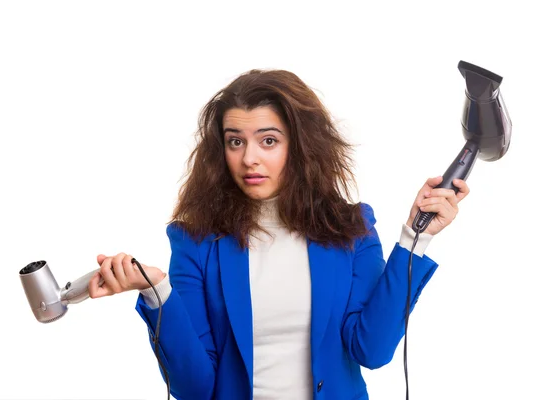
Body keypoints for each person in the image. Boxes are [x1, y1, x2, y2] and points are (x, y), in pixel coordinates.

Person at [88, 69, 470, 400]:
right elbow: (195, 388)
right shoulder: (195, 241)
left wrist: (414, 240)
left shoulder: (350, 227)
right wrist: (157, 292)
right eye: (235, 141)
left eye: (268, 140)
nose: (249, 158)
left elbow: (372, 349)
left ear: (301, 147)